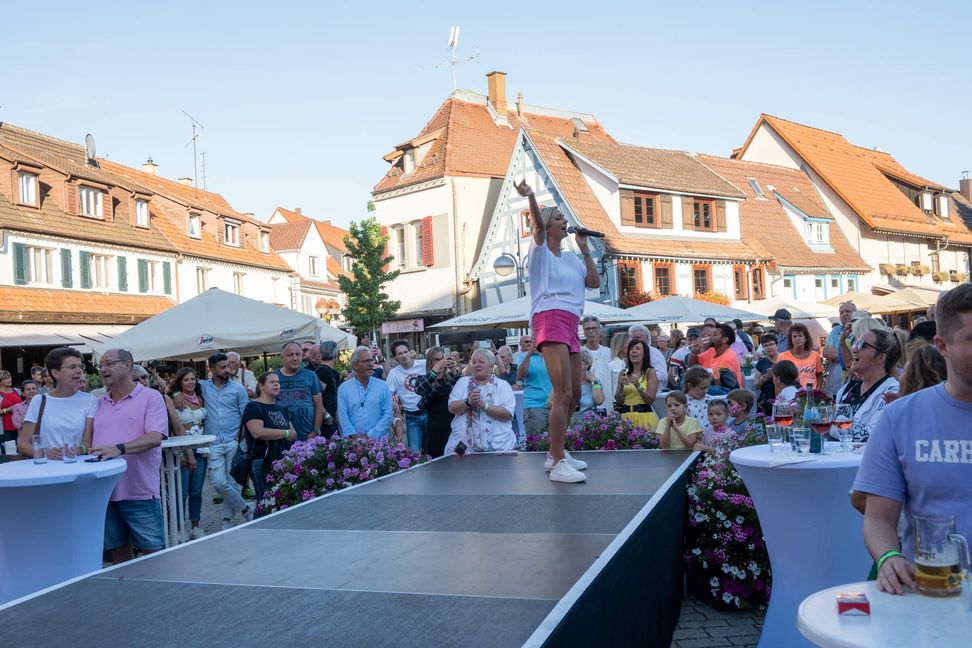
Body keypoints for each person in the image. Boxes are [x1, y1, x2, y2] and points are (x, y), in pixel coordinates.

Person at [853, 284, 972, 596]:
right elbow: (878, 519)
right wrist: (889, 557)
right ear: (942, 346)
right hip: (935, 592)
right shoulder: (900, 418)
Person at [515, 179, 596, 482]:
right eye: (559, 217)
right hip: (549, 316)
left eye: (565, 217)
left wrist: (585, 250)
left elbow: (593, 283)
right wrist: (532, 197)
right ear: (549, 225)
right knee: (561, 392)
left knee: (574, 394)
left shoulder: (573, 257)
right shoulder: (540, 252)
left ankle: (555, 453)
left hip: (571, 319)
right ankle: (557, 459)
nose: (565, 221)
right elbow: (536, 225)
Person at [89, 349, 168, 564]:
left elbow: (154, 437)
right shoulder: (98, 403)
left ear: (128, 365)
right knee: (118, 554)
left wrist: (119, 448)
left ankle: (160, 594)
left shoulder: (151, 397)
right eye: (101, 365)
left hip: (139, 491)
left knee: (152, 553)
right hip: (104, 491)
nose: (103, 369)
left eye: (109, 363)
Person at [199, 352, 253, 530]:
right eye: (222, 367)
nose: (227, 370)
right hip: (212, 442)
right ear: (211, 369)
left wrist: (240, 439)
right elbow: (179, 387)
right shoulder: (203, 387)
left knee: (232, 483)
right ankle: (246, 509)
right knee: (218, 482)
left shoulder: (238, 389)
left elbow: (246, 415)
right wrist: (175, 393)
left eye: (228, 366)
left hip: (233, 441)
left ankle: (226, 521)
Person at [18, 348, 96, 460]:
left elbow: (87, 444)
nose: (79, 371)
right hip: (47, 471)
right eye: (72, 367)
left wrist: (77, 450)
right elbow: (23, 443)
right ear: (55, 373)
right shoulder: (39, 401)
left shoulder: (90, 400)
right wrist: (45, 453)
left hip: (77, 468)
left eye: (80, 366)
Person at [835, 328, 902, 443]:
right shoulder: (846, 389)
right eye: (856, 343)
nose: (854, 348)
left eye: (862, 345)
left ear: (881, 357)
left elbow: (873, 433)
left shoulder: (893, 391)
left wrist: (831, 425)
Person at [444, 349, 516, 454]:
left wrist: (484, 406)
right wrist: (468, 402)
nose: (477, 364)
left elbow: (508, 414)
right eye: (474, 362)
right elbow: (452, 408)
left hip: (499, 448)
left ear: (492, 366)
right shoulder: (462, 383)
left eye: (481, 362)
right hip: (464, 450)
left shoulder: (503, 385)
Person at [241, 372, 296, 504]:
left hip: (281, 459)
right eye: (272, 382)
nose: (276, 384)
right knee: (265, 501)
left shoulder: (281, 408)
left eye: (278, 382)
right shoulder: (253, 406)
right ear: (261, 386)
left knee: (281, 500)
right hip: (261, 461)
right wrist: (285, 433)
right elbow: (257, 432)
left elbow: (294, 433)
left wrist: (287, 433)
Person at [169, 368, 207, 539]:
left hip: (201, 448)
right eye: (186, 380)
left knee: (196, 491)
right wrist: (176, 393)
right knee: (181, 492)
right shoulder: (174, 400)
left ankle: (195, 527)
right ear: (179, 382)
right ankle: (178, 529)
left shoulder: (201, 397)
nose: (191, 382)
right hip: (183, 450)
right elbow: (173, 427)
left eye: (193, 379)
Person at [413, 346, 462, 456]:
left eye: (441, 359)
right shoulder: (424, 379)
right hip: (434, 428)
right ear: (430, 361)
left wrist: (454, 370)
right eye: (436, 359)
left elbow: (463, 388)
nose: (440, 362)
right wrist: (435, 371)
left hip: (453, 426)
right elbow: (419, 389)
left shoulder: (450, 379)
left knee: (455, 458)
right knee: (436, 457)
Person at [337, 346, 393, 440]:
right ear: (355, 365)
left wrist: (370, 436)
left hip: (380, 442)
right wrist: (354, 437)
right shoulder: (344, 388)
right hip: (353, 443)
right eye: (366, 361)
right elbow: (343, 416)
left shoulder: (383, 386)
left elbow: (388, 415)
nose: (371, 364)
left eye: (371, 360)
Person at [274, 342, 324, 441]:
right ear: (282, 357)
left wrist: (316, 430)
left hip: (307, 436)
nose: (295, 358)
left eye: (298, 354)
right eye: (290, 355)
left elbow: (318, 404)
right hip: (280, 437)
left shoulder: (311, 375)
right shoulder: (273, 377)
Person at [385, 339, 427, 453]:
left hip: (429, 412)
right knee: (415, 453)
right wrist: (392, 404)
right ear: (395, 358)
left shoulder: (424, 364)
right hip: (412, 416)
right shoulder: (394, 373)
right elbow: (387, 395)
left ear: (410, 352)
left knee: (432, 451)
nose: (404, 355)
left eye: (405, 352)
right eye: (400, 354)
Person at [613, 339, 659, 431]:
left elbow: (650, 400)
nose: (633, 351)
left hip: (644, 418)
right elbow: (619, 402)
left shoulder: (650, 372)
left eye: (637, 348)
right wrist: (621, 387)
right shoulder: (623, 372)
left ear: (644, 354)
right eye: (631, 349)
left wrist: (638, 385)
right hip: (626, 419)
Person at [516, 331, 553, 438]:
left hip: (555, 406)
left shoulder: (552, 355)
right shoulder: (526, 356)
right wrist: (529, 354)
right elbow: (520, 375)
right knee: (536, 444)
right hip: (535, 407)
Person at [690, 323, 744, 389]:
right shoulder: (712, 350)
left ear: (724, 339)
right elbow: (692, 364)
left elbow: (717, 383)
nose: (710, 337)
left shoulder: (728, 357)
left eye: (714, 335)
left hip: (725, 394)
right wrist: (694, 352)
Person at [581, 316, 614, 413]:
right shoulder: (580, 353)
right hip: (588, 407)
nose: (591, 331)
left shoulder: (609, 353)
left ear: (599, 330)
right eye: (588, 329)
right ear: (584, 331)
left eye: (594, 328)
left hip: (608, 404)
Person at [777, 323, 824, 390]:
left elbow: (819, 375)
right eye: (794, 336)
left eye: (800, 336)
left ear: (805, 338)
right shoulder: (782, 357)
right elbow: (778, 380)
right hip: (791, 395)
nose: (797, 338)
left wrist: (818, 388)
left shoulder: (815, 355)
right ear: (791, 339)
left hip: (811, 395)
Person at [824, 301, 857, 395]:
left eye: (848, 311)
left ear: (855, 313)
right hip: (835, 387)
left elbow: (860, 358)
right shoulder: (835, 331)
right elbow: (826, 352)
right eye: (841, 312)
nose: (844, 314)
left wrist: (837, 356)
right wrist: (849, 357)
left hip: (854, 386)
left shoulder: (860, 330)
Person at [627, 324, 669, 388]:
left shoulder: (654, 353)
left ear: (646, 338)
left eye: (637, 338)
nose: (634, 340)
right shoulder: (631, 352)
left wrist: (641, 377)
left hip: (653, 394)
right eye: (632, 338)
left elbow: (663, 376)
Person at [316, 341, 342, 437]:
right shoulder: (323, 371)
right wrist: (325, 414)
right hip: (326, 421)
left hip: (333, 420)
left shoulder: (334, 372)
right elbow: (315, 396)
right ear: (335, 354)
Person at [575, 347, 605, 420]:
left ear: (587, 364)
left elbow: (599, 401)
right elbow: (550, 403)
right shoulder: (567, 381)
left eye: (578, 360)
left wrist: (594, 382)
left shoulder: (594, 382)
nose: (574, 362)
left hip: (588, 424)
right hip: (569, 423)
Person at [753, 333, 780, 415]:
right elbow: (755, 386)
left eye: (771, 344)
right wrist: (761, 380)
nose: (769, 347)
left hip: (782, 396)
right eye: (765, 345)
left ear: (777, 345)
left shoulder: (784, 359)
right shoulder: (761, 363)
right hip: (766, 398)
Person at [683, 366, 712, 435]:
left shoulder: (710, 399)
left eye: (707, 387)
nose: (706, 391)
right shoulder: (683, 402)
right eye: (702, 388)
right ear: (690, 386)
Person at [0, 370, 22, 459]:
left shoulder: (17, 391)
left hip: (19, 427)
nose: (9, 380)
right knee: (9, 454)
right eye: (5, 379)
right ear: (0, 382)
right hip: (5, 429)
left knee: (20, 452)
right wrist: (8, 410)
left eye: (9, 377)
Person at [609, 331, 631, 397]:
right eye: (629, 343)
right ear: (621, 346)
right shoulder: (611, 366)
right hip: (616, 403)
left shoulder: (625, 364)